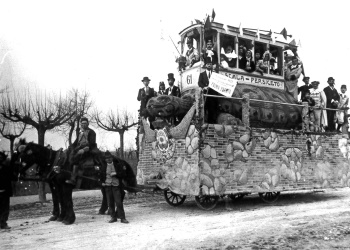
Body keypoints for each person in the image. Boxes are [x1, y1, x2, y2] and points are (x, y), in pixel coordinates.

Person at [66, 117, 98, 185]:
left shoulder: (92, 132)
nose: (83, 125)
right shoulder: (80, 133)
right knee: (68, 154)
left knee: (76, 159)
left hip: (89, 149)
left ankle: (73, 178)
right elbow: (75, 143)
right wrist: (70, 147)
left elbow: (92, 143)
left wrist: (84, 149)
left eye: (85, 123)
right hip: (79, 148)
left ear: (88, 124)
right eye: (82, 123)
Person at [101, 151, 129, 224]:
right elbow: (100, 176)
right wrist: (102, 182)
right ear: (105, 159)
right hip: (107, 187)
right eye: (107, 158)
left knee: (119, 202)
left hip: (116, 186)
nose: (108, 159)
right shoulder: (103, 167)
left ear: (112, 158)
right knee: (110, 203)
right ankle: (113, 217)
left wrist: (116, 174)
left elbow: (123, 174)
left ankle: (123, 218)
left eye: (110, 158)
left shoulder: (117, 165)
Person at [198, 57, 219, 123]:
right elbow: (199, 82)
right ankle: (204, 121)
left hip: (213, 94)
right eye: (208, 64)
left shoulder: (215, 74)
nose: (209, 65)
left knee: (212, 108)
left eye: (210, 64)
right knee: (204, 107)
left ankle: (212, 122)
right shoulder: (202, 74)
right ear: (205, 65)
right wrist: (204, 87)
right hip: (205, 93)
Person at [0, 152, 17, 230]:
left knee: (5, 209)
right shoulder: (6, 168)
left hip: (5, 192)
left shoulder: (6, 168)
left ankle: (3, 223)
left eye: (1, 157)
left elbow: (13, 177)